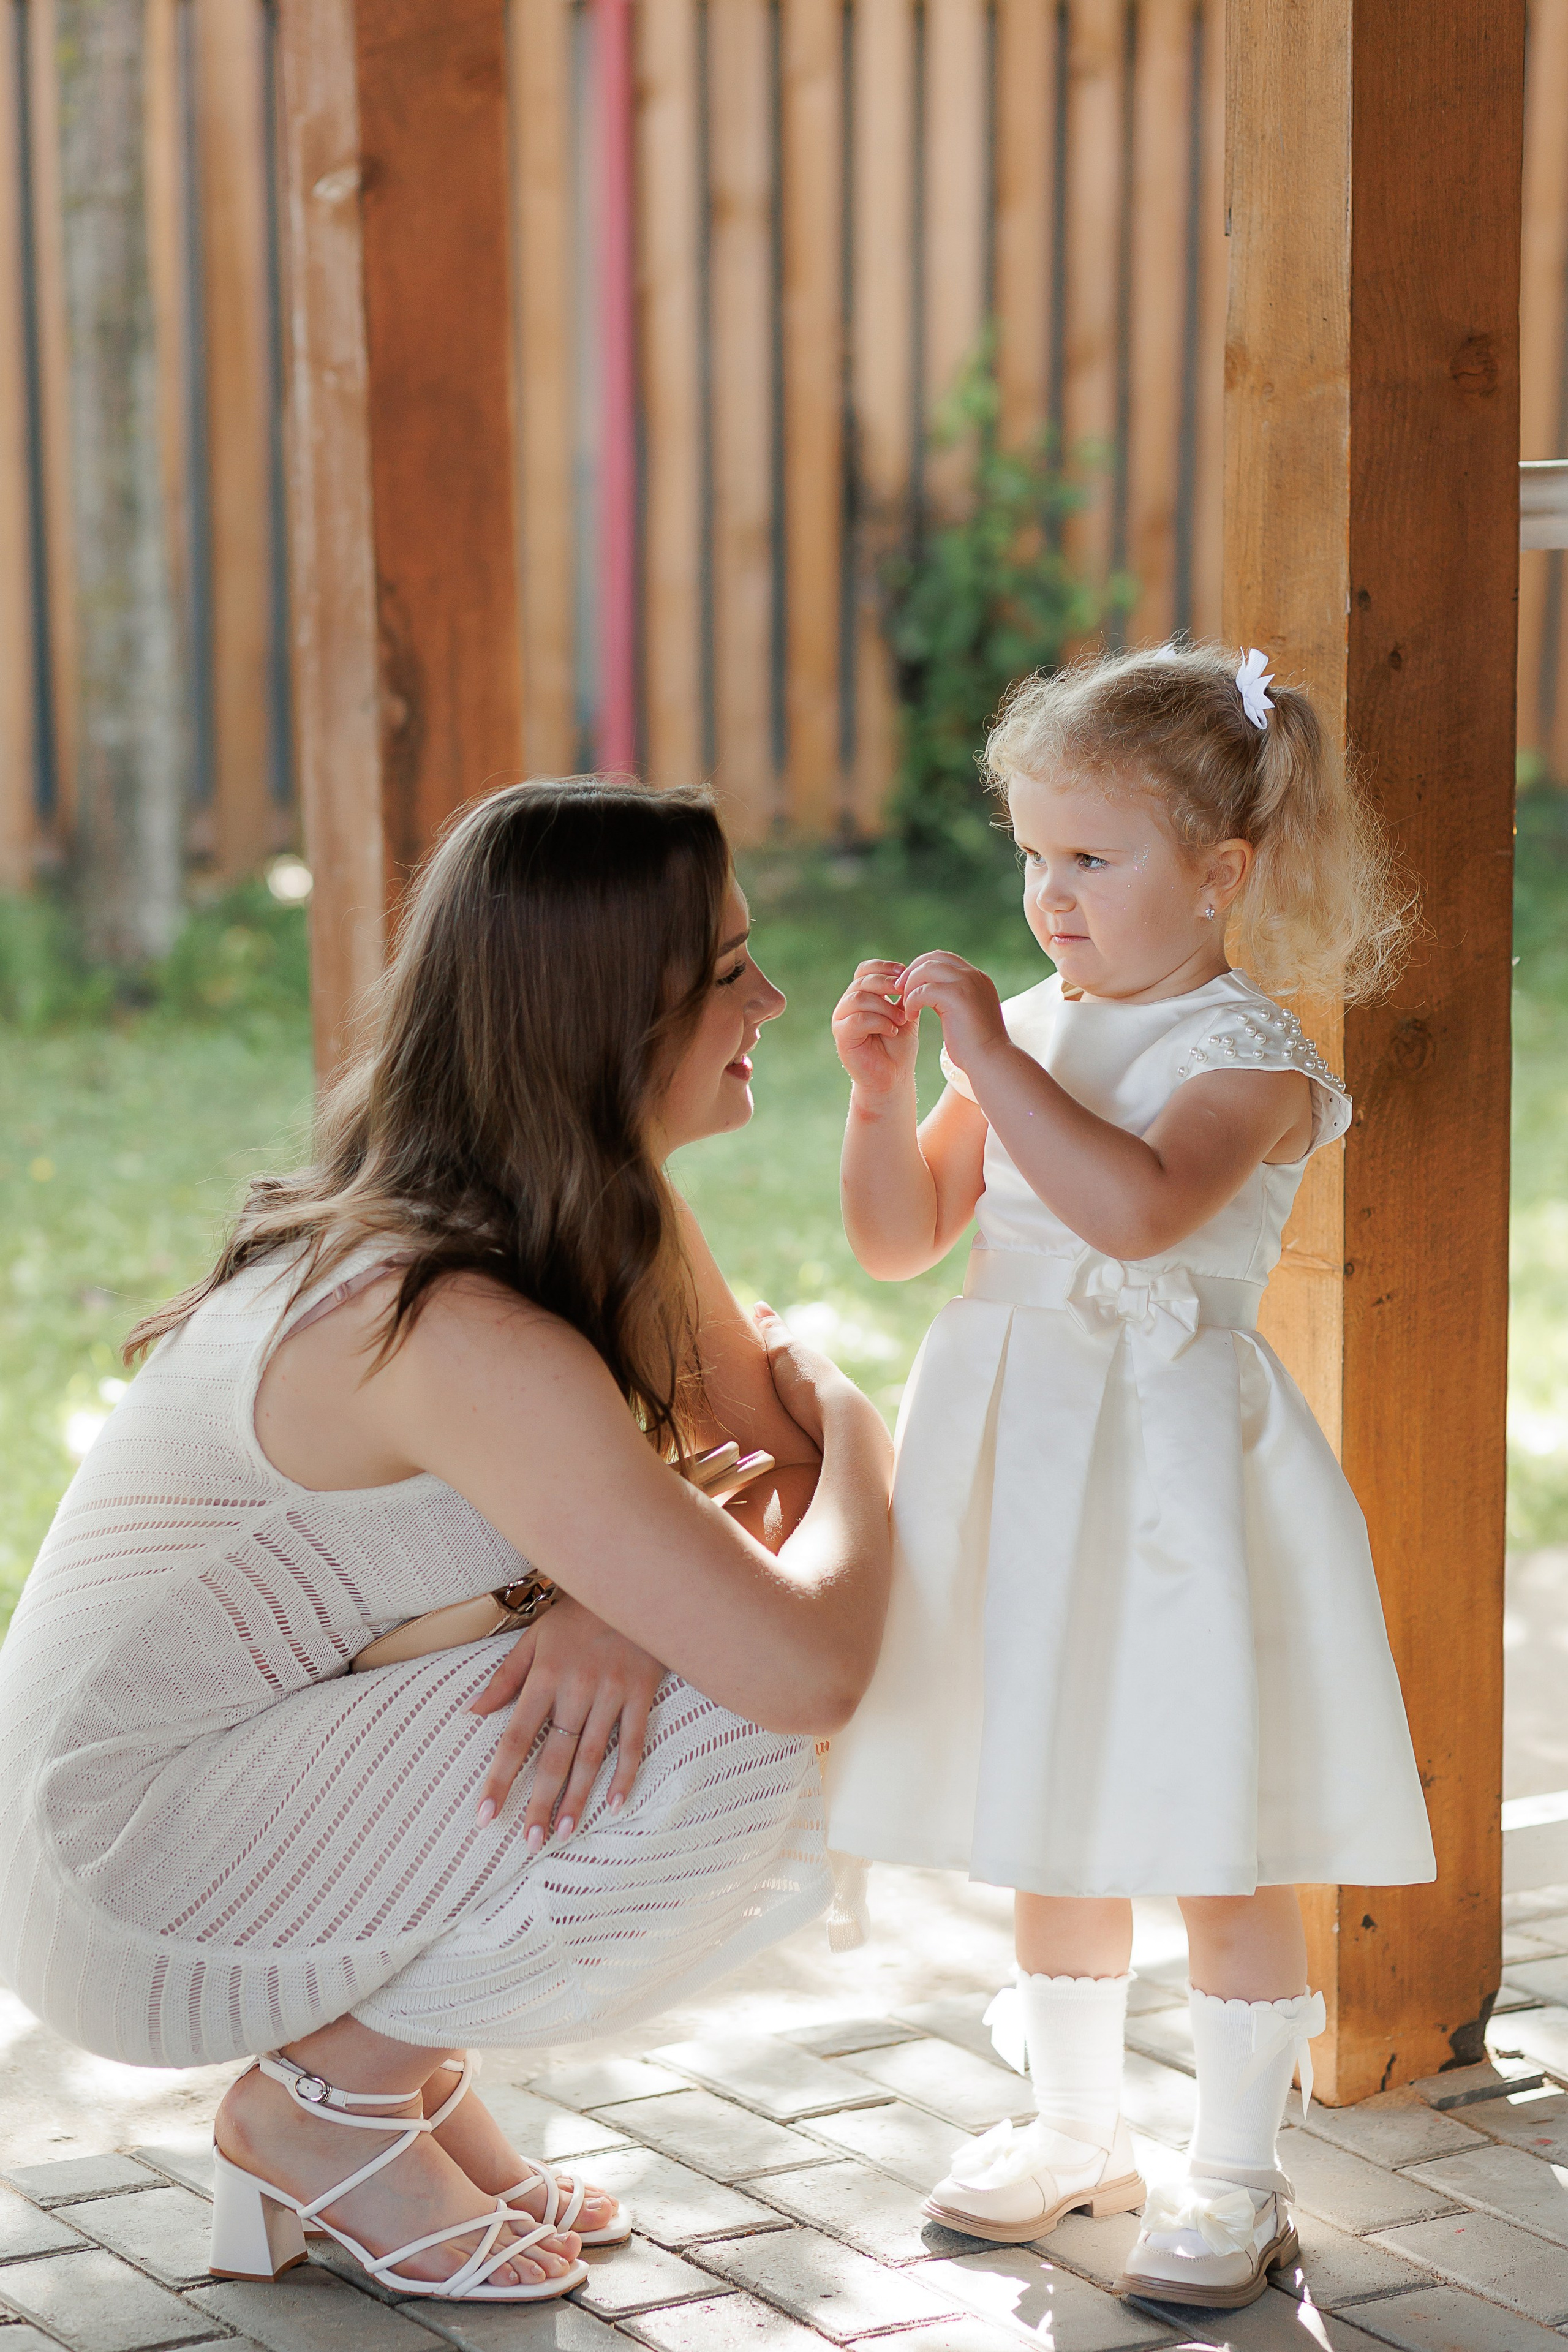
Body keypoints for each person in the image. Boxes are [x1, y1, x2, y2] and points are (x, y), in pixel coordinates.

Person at [0, 782, 892, 2309]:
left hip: (205, 1791)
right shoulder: (442, 1316)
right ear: (612, 1017)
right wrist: (866, 1425)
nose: (773, 998)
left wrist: (623, 1589)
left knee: (681, 1653)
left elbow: (761, 1467)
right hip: (120, 1872)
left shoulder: (573, 1215)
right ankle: (327, 2105)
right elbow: (804, 1653)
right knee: (737, 1715)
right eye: (728, 968)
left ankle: (386, 2089)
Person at [824, 644, 1436, 2311]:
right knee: (1057, 1800)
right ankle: (1075, 2121)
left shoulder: (1251, 1054)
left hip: (1172, 1481)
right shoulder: (1020, 1029)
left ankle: (1235, 2170)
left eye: (1095, 858)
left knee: (1207, 1823)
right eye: (1035, 855)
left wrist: (993, 1067)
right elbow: (901, 1241)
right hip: (1027, 1462)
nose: (1052, 894)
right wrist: (888, 1097)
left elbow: (1139, 1212)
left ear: (1223, 873)